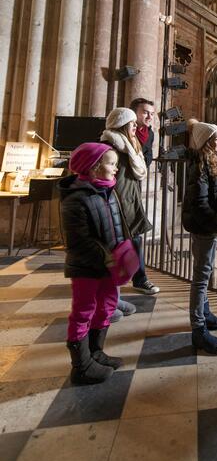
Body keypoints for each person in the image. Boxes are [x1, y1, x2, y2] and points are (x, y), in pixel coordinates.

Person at [59, 142, 124, 384]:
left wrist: (122, 251)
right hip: (87, 266)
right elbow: (80, 241)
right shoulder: (75, 198)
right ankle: (82, 366)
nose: (116, 169)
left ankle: (96, 353)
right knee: (83, 311)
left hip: (108, 263)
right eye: (111, 164)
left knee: (107, 304)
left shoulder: (108, 190)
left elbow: (116, 227)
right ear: (94, 167)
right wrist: (108, 258)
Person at [182, 119, 217, 355]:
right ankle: (199, 330)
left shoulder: (213, 160)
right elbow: (202, 205)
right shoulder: (200, 166)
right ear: (205, 142)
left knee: (206, 271)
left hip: (211, 225)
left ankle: (206, 314)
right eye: (215, 138)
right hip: (204, 226)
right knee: (201, 276)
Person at [101, 107, 159, 307]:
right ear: (123, 125)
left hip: (128, 199)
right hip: (116, 202)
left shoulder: (130, 145)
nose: (136, 126)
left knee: (130, 243)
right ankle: (111, 299)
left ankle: (119, 294)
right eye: (132, 123)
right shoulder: (111, 146)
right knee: (117, 248)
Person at [130, 97, 155, 167]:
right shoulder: (124, 130)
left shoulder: (150, 133)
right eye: (145, 113)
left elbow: (149, 154)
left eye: (152, 114)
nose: (149, 117)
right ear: (134, 113)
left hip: (139, 172)